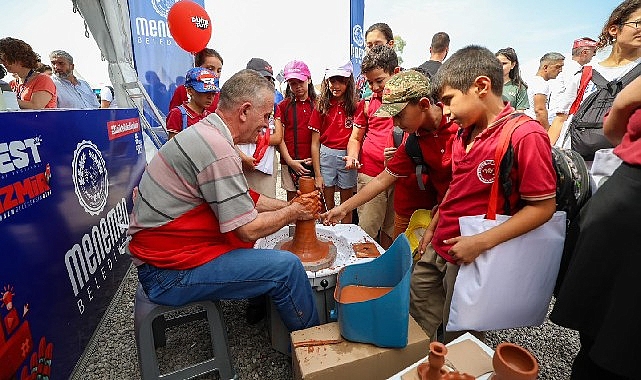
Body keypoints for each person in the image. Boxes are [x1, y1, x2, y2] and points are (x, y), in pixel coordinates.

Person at [128, 69, 320, 333]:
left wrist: (289, 205)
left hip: (163, 255)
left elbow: (245, 198)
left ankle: (265, 310)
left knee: (262, 241)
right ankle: (312, 345)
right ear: (244, 111)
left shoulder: (209, 132)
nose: (267, 126)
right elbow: (246, 229)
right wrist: (295, 212)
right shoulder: (218, 150)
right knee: (287, 268)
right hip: (166, 273)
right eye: (265, 117)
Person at [412, 45, 556, 343]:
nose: (447, 113)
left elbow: (543, 208)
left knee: (459, 334)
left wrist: (479, 242)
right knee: (420, 308)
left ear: (481, 86)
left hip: (472, 254)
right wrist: (433, 227)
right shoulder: (464, 133)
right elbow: (456, 187)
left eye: (449, 101)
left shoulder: (525, 135)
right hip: (439, 244)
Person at [551, 73, 641, 380]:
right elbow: (617, 116)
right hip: (629, 205)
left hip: (626, 197)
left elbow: (618, 118)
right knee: (606, 337)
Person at [323, 70, 456, 239]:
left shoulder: (459, 124)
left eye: (399, 115)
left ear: (423, 105)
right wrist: (343, 209)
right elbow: (381, 179)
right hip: (438, 215)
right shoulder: (414, 140)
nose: (395, 123)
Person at [549, 0, 641, 149]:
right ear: (614, 29)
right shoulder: (584, 74)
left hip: (627, 167)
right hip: (579, 166)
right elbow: (561, 120)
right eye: (638, 23)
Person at [345, 45, 400, 249]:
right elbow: (355, 138)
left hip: (399, 178)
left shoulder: (407, 103)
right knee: (367, 228)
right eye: (370, 82)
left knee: (392, 229)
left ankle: (384, 267)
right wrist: (352, 155)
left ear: (395, 73)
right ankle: (361, 273)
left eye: (380, 81)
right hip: (370, 174)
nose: (375, 87)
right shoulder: (367, 104)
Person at [309, 61, 360, 222]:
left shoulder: (355, 105)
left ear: (348, 81)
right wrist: (317, 175)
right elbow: (314, 143)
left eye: (341, 80)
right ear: (326, 81)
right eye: (332, 80)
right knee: (326, 203)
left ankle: (347, 235)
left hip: (348, 157)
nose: (336, 85)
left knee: (347, 204)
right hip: (326, 156)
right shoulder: (321, 105)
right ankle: (328, 235)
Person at [237, 58, 283, 198]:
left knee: (267, 208)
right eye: (262, 78)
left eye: (269, 79)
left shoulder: (274, 106)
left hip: (265, 166)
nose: (266, 83)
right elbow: (231, 136)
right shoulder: (237, 102)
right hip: (241, 163)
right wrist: (244, 157)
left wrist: (249, 138)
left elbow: (278, 138)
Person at [275, 60, 317, 201]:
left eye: (301, 81)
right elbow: (279, 137)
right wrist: (290, 161)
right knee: (293, 202)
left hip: (314, 162)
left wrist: (317, 160)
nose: (298, 86)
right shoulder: (283, 106)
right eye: (293, 83)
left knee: (313, 201)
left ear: (309, 79)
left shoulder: (318, 104)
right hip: (290, 163)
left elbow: (322, 136)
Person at [547, 38, 597, 125]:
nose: (594, 55)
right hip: (560, 119)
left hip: (560, 117)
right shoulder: (573, 69)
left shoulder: (568, 66)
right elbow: (575, 95)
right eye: (593, 52)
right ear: (584, 52)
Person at [0, 37, 57, 109]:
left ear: (19, 58)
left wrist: (5, 100)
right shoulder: (12, 84)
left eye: (6, 59)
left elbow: (36, 106)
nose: (2, 63)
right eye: (1, 60)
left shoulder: (43, 79)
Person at [165, 67, 219, 139]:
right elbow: (172, 146)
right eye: (205, 92)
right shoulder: (177, 114)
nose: (210, 97)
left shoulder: (210, 117)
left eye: (213, 93)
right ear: (190, 91)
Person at [169, 48, 223, 112]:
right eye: (210, 69)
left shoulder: (221, 96)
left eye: (219, 71)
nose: (215, 74)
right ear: (197, 67)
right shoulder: (182, 90)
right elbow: (173, 118)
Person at [524, 52, 564, 130]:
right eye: (558, 67)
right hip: (534, 127)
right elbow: (539, 110)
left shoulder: (532, 81)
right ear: (545, 67)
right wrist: (546, 131)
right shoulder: (541, 84)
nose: (560, 70)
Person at [356, 22, 395, 100]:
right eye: (369, 46)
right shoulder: (361, 81)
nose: (373, 49)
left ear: (390, 44)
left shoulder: (406, 79)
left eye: (377, 44)